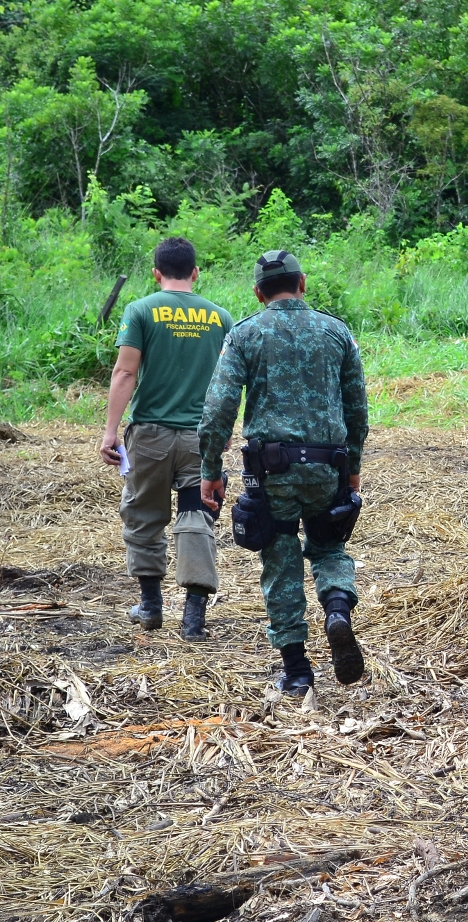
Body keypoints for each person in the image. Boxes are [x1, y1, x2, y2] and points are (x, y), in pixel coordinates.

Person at [197, 249, 368, 694]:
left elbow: (218, 409)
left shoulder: (245, 335)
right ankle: (335, 611)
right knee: (329, 549)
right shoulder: (337, 333)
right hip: (328, 466)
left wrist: (210, 468)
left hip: (271, 474)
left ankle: (296, 672)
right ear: (302, 283)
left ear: (258, 292)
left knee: (280, 559)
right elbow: (357, 410)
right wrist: (352, 471)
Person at [99, 236, 234, 640]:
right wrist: (223, 430)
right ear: (195, 273)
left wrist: (110, 431)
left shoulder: (140, 311)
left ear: (156, 273)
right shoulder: (220, 318)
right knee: (197, 516)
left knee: (144, 516)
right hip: (200, 438)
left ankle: (151, 606)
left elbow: (126, 373)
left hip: (151, 435)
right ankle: (193, 617)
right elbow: (229, 383)